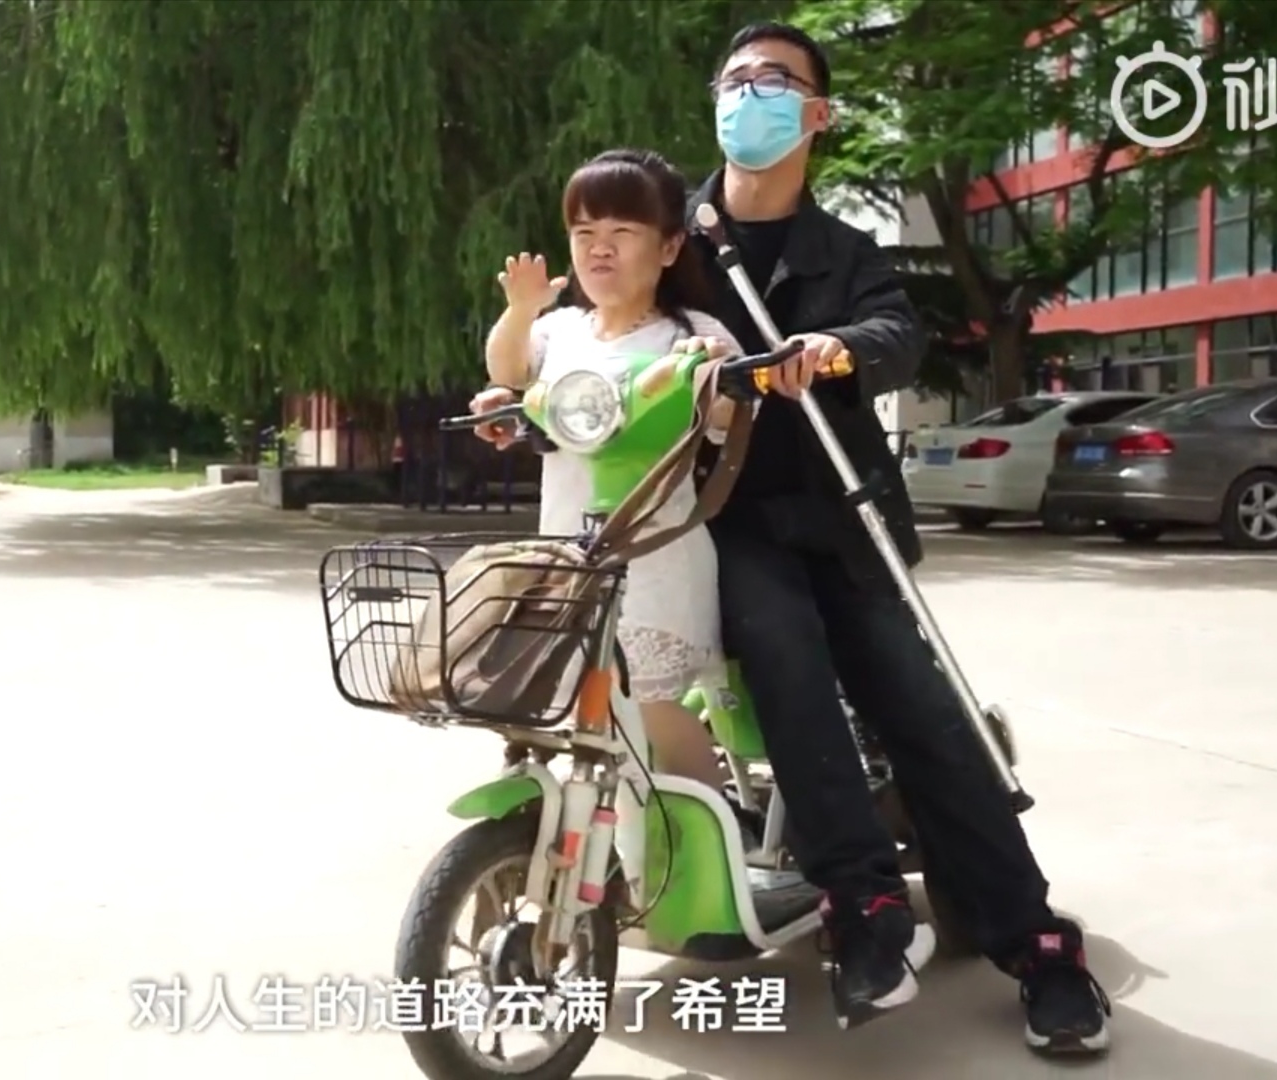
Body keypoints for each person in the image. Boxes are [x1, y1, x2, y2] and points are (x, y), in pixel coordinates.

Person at [666, 21, 1111, 1051]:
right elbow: (592, 314)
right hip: (727, 520)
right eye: (734, 80)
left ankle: (1037, 944)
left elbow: (896, 336)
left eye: (774, 80)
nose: (749, 94)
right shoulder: (676, 237)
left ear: (815, 114)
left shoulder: (845, 253)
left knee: (924, 715)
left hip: (840, 517)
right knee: (784, 662)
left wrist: (832, 348)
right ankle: (862, 908)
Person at [471, 149, 741, 796]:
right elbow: (509, 372)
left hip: (656, 558)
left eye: (623, 231)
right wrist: (520, 311)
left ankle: (713, 829)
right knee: (580, 708)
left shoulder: (688, 333)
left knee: (652, 707)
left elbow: (730, 416)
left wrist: (710, 376)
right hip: (570, 553)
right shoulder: (560, 330)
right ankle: (601, 840)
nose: (600, 247)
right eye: (584, 231)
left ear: (669, 248)